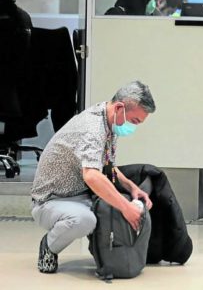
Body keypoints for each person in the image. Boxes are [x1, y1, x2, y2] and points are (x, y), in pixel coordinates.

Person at [31, 81, 156, 273]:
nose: (134, 128)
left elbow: (107, 164)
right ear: (120, 107)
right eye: (135, 121)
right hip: (52, 201)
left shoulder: (110, 121)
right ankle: (49, 246)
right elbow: (91, 176)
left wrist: (132, 187)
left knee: (129, 194)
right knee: (84, 220)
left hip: (82, 194)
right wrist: (126, 208)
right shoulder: (91, 128)